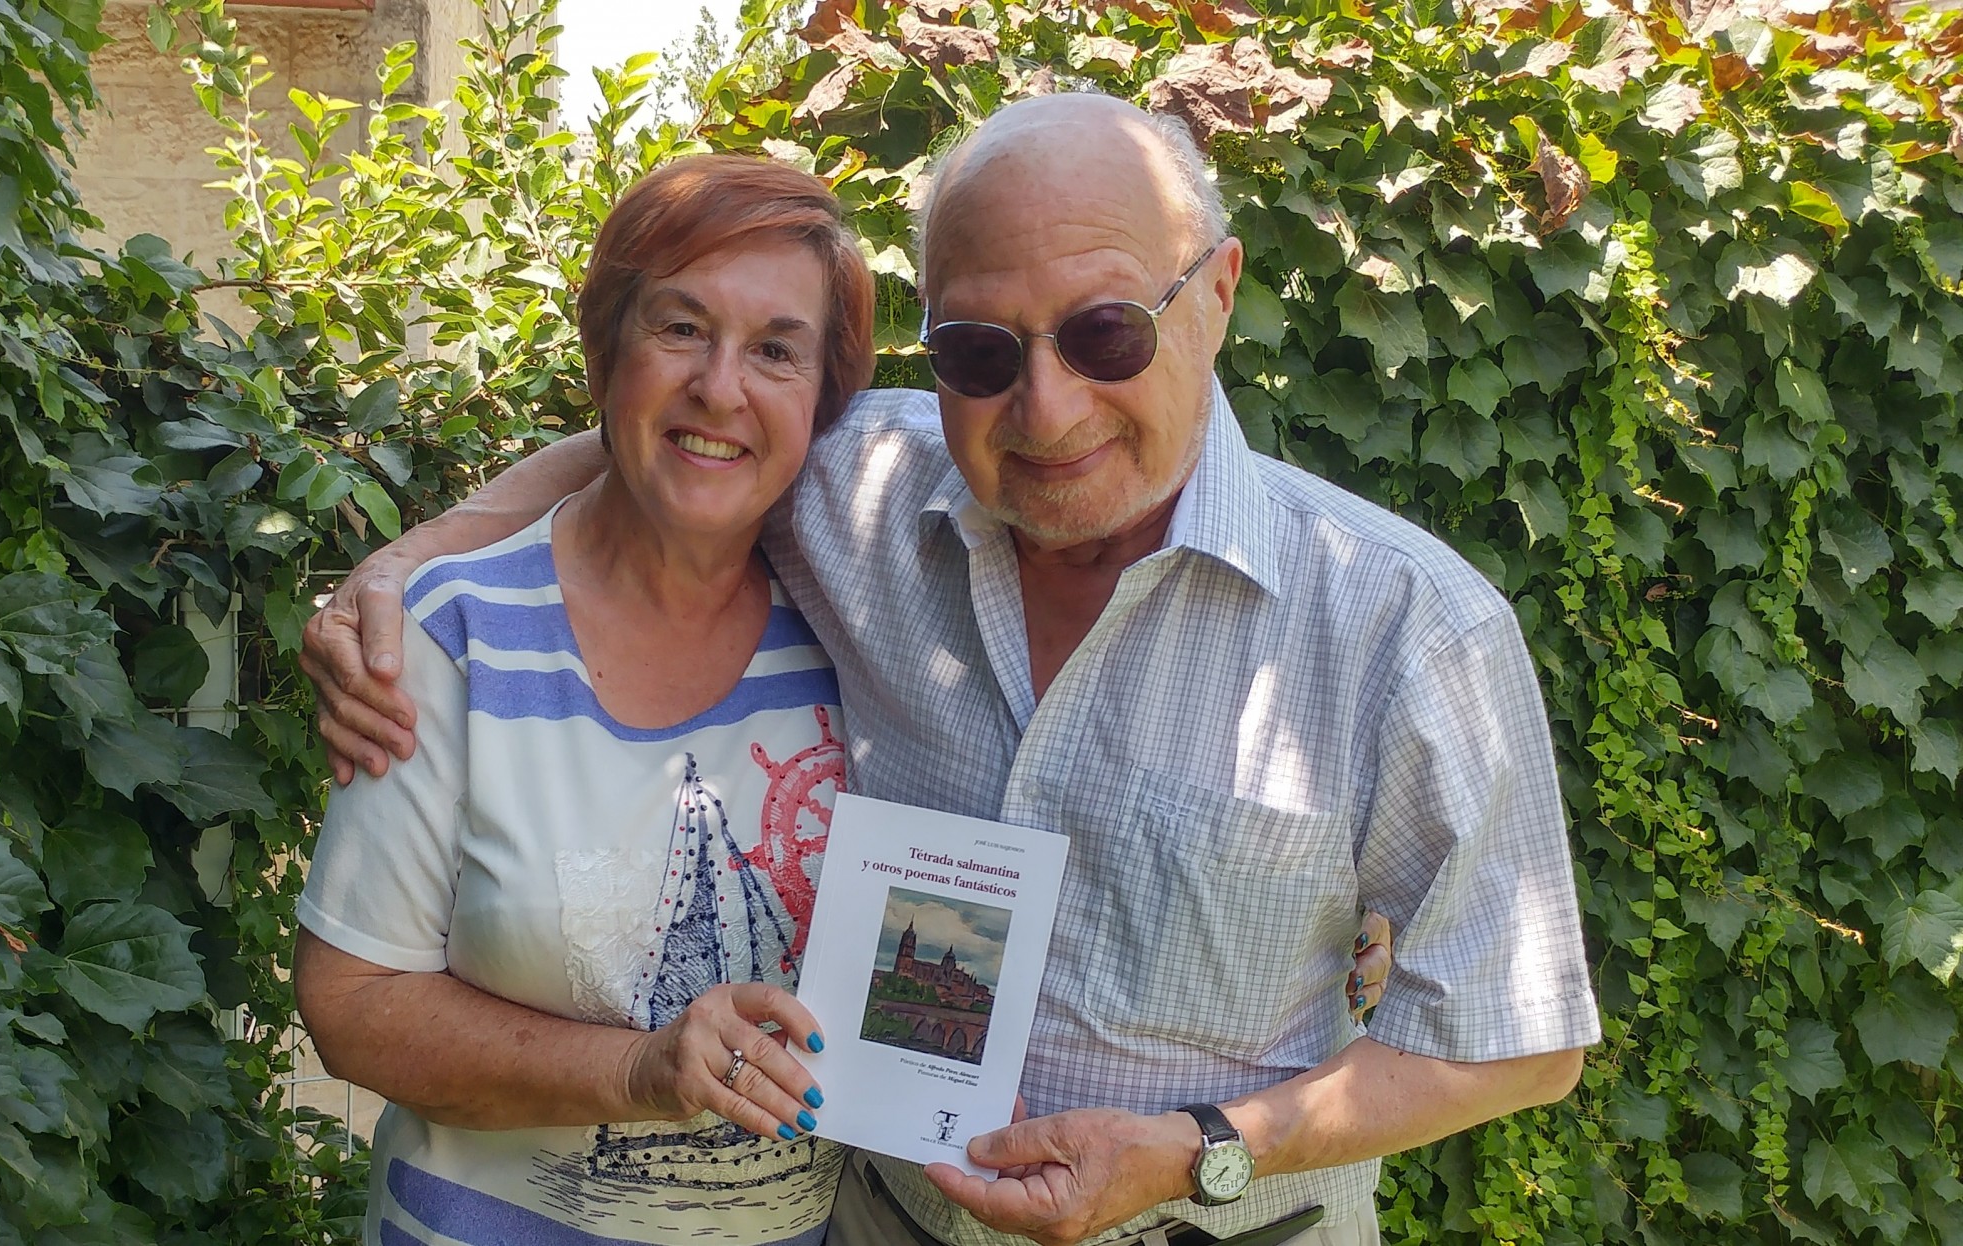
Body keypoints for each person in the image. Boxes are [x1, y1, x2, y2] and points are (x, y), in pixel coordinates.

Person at [303, 94, 1596, 1246]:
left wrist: (1207, 1143)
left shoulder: (1405, 625)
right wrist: (421, 559)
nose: (1047, 409)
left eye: (1105, 334)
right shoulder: (866, 489)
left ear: (1215, 292)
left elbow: (1522, 1041)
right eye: (982, 353)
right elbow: (673, 426)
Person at [292, 154, 880, 1246]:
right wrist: (639, 1068)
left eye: (775, 351)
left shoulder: (861, 624)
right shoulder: (451, 631)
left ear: (823, 402)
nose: (720, 386)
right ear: (606, 349)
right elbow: (352, 1005)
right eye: (677, 327)